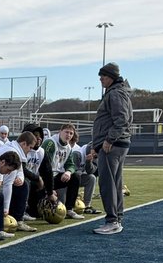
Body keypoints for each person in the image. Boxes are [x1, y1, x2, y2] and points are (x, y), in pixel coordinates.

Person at [91, 63, 132, 234]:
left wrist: (108, 140)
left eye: (104, 76)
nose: (101, 79)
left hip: (112, 145)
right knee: (115, 183)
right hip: (117, 143)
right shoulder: (117, 92)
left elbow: (121, 119)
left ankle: (112, 220)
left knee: (108, 183)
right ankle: (116, 218)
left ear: (112, 77)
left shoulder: (115, 94)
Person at [43, 124, 83, 218]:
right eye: (66, 132)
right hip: (44, 177)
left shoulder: (68, 147)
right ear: (60, 132)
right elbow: (44, 167)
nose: (68, 135)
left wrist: (68, 172)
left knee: (75, 177)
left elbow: (71, 164)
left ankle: (69, 209)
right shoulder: (50, 143)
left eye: (71, 133)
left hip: (56, 176)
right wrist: (50, 189)